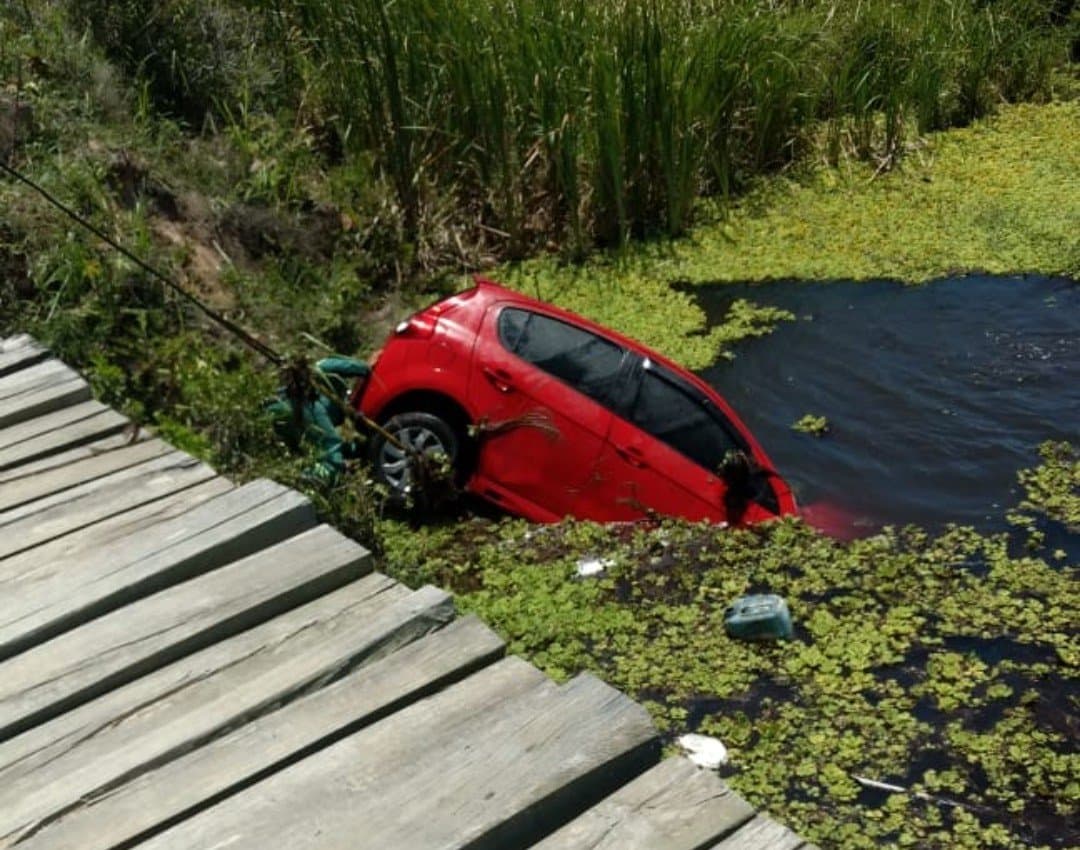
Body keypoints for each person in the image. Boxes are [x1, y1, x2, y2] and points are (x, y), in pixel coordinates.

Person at [265, 355, 370, 483]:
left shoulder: (318, 374)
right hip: (304, 407)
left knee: (306, 453)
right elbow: (362, 368)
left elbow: (339, 446)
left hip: (282, 407)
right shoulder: (323, 366)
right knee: (332, 461)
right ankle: (302, 482)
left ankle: (292, 479)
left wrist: (363, 447)